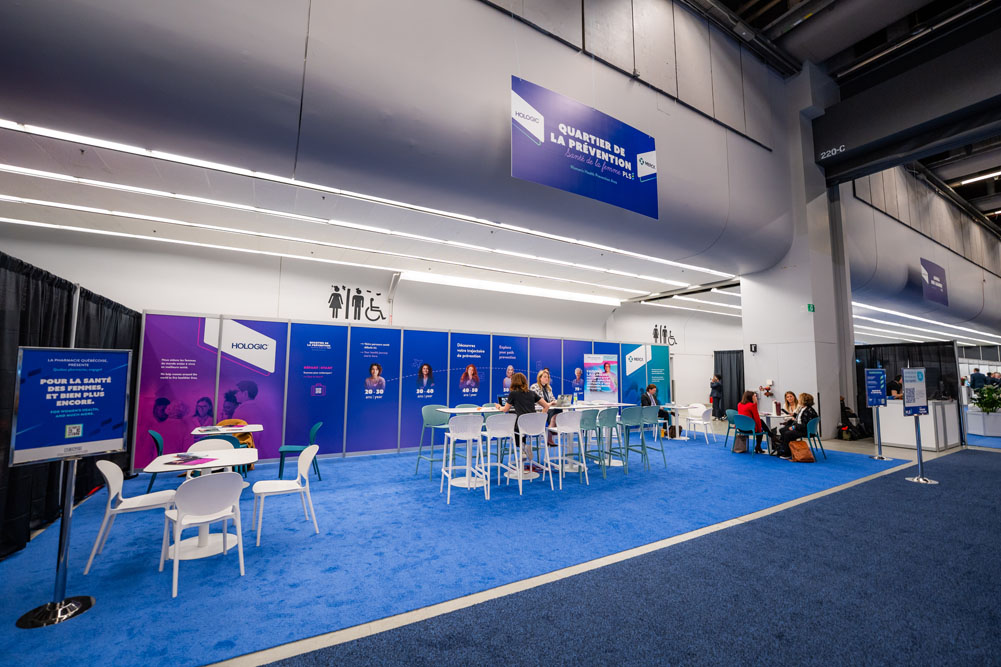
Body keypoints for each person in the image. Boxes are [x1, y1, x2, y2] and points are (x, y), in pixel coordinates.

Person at [495, 372, 552, 467]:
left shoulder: (513, 394)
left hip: (521, 426)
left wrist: (498, 407)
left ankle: (523, 447)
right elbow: (546, 406)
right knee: (521, 425)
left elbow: (505, 409)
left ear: (514, 382)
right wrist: (541, 420)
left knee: (515, 425)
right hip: (534, 426)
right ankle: (523, 447)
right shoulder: (532, 393)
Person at [774, 393, 818, 459]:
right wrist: (794, 416)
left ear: (803, 400)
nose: (798, 400)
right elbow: (800, 417)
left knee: (787, 433)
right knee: (782, 430)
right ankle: (787, 448)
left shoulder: (808, 411)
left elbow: (804, 425)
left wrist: (794, 427)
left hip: (805, 430)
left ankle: (787, 453)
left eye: (800, 399)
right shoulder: (804, 408)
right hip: (802, 428)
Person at [530, 369, 560, 443]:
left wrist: (557, 402)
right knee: (552, 412)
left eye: (548, 377)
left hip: (549, 410)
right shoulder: (534, 387)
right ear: (540, 378)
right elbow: (536, 402)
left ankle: (552, 431)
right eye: (545, 377)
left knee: (558, 410)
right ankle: (551, 434)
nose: (547, 378)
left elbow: (552, 399)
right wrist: (548, 404)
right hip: (539, 411)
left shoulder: (549, 388)